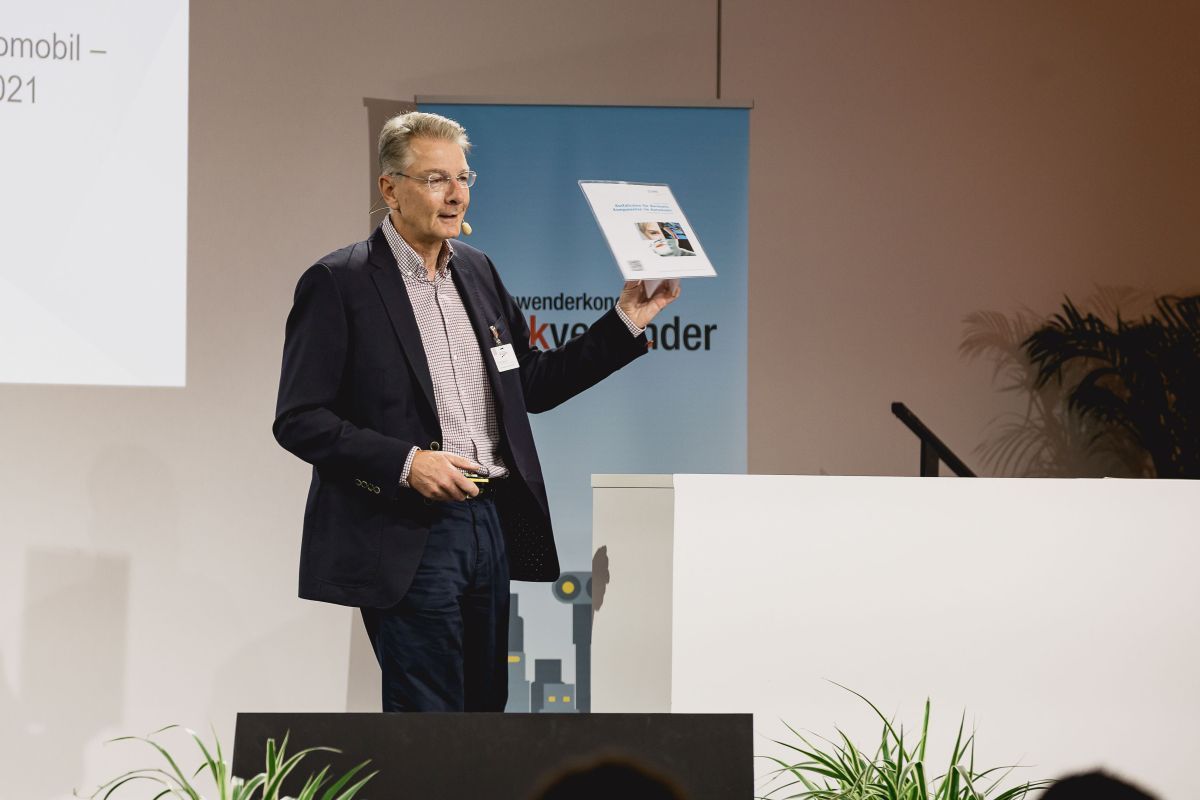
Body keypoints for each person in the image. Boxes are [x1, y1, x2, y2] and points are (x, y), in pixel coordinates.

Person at [273, 111, 679, 712]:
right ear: (390, 189)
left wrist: (625, 323)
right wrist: (408, 463)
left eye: (463, 177)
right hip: (408, 529)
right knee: (431, 720)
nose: (456, 194)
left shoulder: (479, 270)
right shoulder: (340, 281)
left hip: (489, 521)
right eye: (436, 179)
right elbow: (300, 417)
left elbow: (531, 385)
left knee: (485, 718)